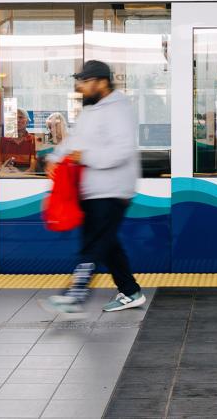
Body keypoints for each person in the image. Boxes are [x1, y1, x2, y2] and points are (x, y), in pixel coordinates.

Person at [42, 60, 145, 315]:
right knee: (107, 244)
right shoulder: (91, 110)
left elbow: (121, 151)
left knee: (93, 243)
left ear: (101, 82)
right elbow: (75, 141)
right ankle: (130, 291)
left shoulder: (118, 109)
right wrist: (54, 158)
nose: (80, 87)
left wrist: (84, 156)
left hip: (113, 189)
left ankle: (75, 296)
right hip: (93, 190)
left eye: (85, 82)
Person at [0, 108, 37, 174]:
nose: (17, 120)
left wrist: (19, 174)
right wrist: (3, 169)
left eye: (20, 117)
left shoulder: (34, 140)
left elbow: (33, 169)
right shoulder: (3, 140)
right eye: (14, 118)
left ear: (27, 121)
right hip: (4, 180)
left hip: (27, 181)